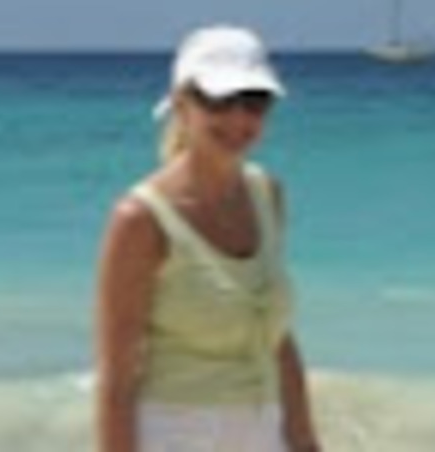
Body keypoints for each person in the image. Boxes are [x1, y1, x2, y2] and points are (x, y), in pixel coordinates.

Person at [95, 25, 321, 452]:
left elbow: (277, 342)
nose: (238, 119)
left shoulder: (266, 195)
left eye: (254, 101)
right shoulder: (141, 220)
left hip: (263, 432)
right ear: (182, 104)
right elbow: (116, 384)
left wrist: (306, 442)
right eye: (219, 101)